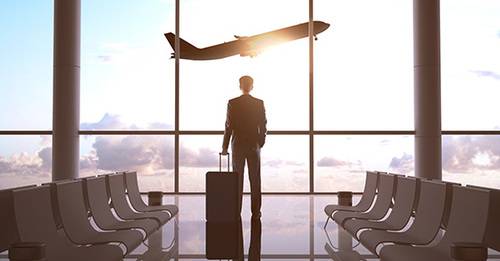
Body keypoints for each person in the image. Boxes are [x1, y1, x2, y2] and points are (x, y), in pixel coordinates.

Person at [221, 75, 267, 219]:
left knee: (237, 179)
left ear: (240, 86)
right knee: (255, 179)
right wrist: (260, 142)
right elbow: (263, 124)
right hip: (253, 145)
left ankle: (236, 210)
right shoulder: (259, 103)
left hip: (238, 144)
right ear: (252, 86)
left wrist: (225, 146)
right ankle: (256, 212)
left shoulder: (233, 103)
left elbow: (229, 126)